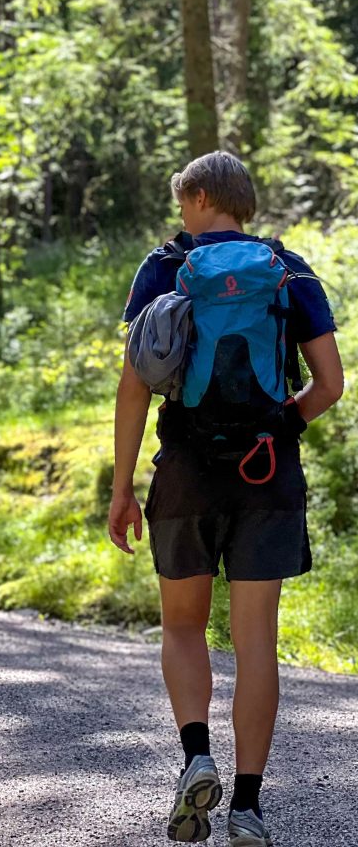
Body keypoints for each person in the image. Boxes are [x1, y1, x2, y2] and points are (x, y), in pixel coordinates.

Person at [109, 151, 344, 847]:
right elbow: (330, 384)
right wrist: (277, 429)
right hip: (268, 477)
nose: (181, 214)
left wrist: (123, 488)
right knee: (256, 642)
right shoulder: (289, 269)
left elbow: (133, 388)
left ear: (204, 196)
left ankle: (196, 758)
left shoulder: (164, 267)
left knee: (183, 626)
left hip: (184, 468)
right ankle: (247, 806)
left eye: (185, 201)